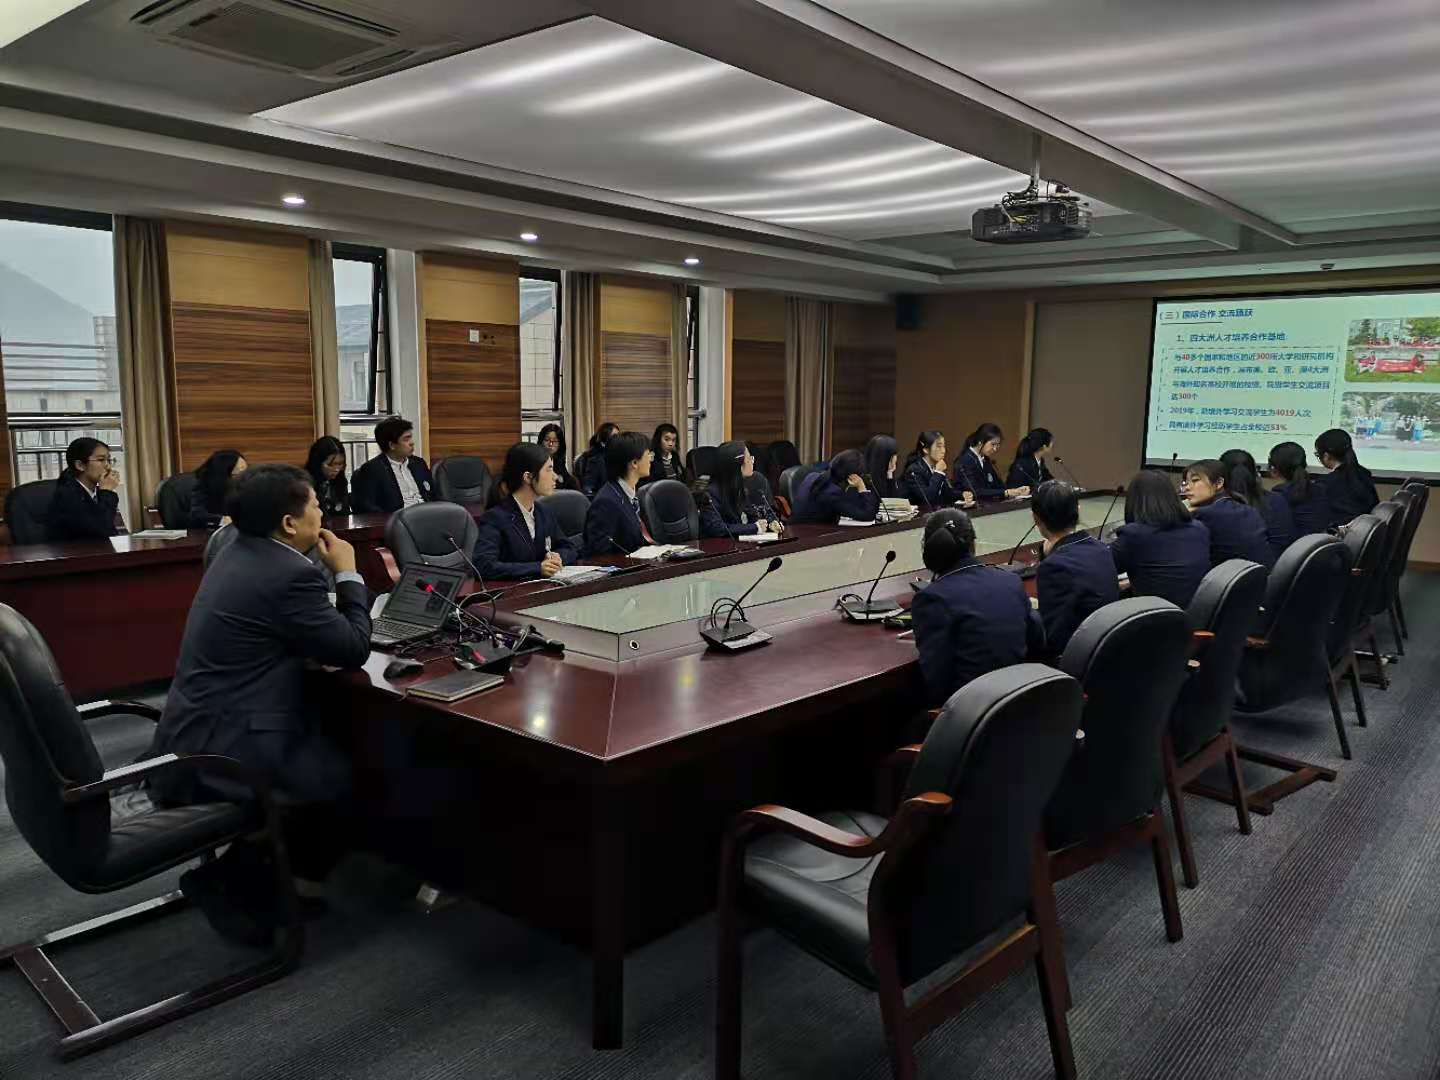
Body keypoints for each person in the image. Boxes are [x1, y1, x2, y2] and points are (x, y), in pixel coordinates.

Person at [148, 465, 371, 945]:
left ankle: (267, 872)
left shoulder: (233, 547)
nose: (323, 514)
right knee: (354, 775)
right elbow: (353, 647)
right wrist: (348, 571)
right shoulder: (290, 574)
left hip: (193, 725)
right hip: (230, 744)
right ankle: (244, 881)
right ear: (289, 523)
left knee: (334, 741)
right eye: (316, 506)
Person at [910, 508, 1041, 706]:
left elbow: (937, 683)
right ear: (973, 544)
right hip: (1019, 702)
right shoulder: (1010, 581)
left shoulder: (932, 598)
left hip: (971, 713)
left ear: (928, 550)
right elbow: (1037, 640)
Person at [1031, 480, 1119, 661]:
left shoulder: (1054, 567)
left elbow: (1051, 638)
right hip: (1107, 650)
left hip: (1076, 662)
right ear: (1078, 510)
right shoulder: (1101, 549)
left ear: (1036, 519)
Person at [474, 442, 580, 579]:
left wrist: (558, 557)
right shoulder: (495, 518)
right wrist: (537, 568)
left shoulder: (544, 512)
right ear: (528, 477)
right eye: (549, 470)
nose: (555, 476)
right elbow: (484, 565)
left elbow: (569, 548)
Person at [1109, 469, 1211, 608]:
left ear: (1134, 501)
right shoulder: (1199, 529)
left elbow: (1102, 570)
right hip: (1195, 613)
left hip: (1153, 615)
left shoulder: (1134, 535)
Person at [1181, 458, 1272, 567]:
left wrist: (1182, 511)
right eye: (1186, 483)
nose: (1186, 488)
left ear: (1219, 483)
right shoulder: (1248, 509)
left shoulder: (1204, 515)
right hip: (1260, 574)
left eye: (1195, 480)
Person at [583, 430, 654, 555]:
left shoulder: (632, 493)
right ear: (634, 463)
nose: (651, 459)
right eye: (648, 454)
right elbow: (600, 554)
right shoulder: (606, 502)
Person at [1263, 442, 1333, 563]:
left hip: (1294, 560)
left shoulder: (1278, 495)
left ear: (1274, 469)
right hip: (1321, 556)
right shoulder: (1320, 489)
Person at [350, 416, 434, 513]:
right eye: (406, 439)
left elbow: (432, 495)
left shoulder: (418, 463)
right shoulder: (372, 470)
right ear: (392, 445)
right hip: (399, 519)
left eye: (410, 437)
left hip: (428, 515)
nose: (412, 443)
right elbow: (368, 508)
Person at [699, 440, 782, 539]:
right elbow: (716, 528)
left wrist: (771, 523)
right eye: (749, 459)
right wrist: (754, 527)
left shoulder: (747, 485)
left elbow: (755, 514)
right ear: (738, 466)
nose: (752, 462)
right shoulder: (711, 494)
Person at [47, 437, 121, 541]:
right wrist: (107, 492)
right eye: (101, 460)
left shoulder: (96, 492)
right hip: (75, 550)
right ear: (80, 465)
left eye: (108, 460)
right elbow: (100, 530)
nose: (108, 466)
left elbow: (111, 531)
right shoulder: (67, 495)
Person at [789, 449, 880, 524]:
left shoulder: (813, 476)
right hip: (811, 537)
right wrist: (861, 487)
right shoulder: (832, 493)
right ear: (852, 476)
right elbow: (868, 515)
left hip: (798, 531)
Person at [1314, 428, 1380, 528]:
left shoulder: (1325, 484)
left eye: (1318, 455)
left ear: (1326, 456)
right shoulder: (1364, 474)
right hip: (1363, 532)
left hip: (1341, 536)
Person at [955, 423, 1029, 501]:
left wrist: (1017, 491)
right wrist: (1006, 492)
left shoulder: (986, 460)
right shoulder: (965, 461)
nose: (995, 449)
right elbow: (975, 491)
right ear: (980, 442)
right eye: (993, 444)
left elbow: (998, 486)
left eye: (998, 445)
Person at [900, 430, 972, 508]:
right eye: (939, 446)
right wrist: (938, 472)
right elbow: (928, 499)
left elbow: (946, 493)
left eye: (944, 446)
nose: (943, 451)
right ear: (926, 449)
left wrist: (962, 495)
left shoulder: (935, 466)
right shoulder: (914, 470)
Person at [189, 450, 247, 529]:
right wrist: (222, 520)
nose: (244, 478)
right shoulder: (203, 486)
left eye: (246, 472)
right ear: (224, 474)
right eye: (239, 474)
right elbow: (197, 515)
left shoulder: (246, 485)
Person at [304, 436, 350, 517]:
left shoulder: (341, 481)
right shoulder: (304, 483)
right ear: (317, 462)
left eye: (340, 464)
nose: (336, 469)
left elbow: (345, 513)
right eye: (330, 465)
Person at [577, 422, 619, 498]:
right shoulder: (596, 460)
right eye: (614, 436)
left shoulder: (614, 458)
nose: (618, 440)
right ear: (603, 443)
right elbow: (588, 489)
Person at [537, 423, 575, 490]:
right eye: (547, 440)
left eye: (555, 441)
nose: (551, 444)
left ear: (560, 444)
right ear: (541, 441)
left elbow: (566, 481)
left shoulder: (558, 461)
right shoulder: (535, 460)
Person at [863, 435, 900, 500]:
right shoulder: (866, 479)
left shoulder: (887, 476)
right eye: (894, 454)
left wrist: (890, 475)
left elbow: (894, 502)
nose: (896, 458)